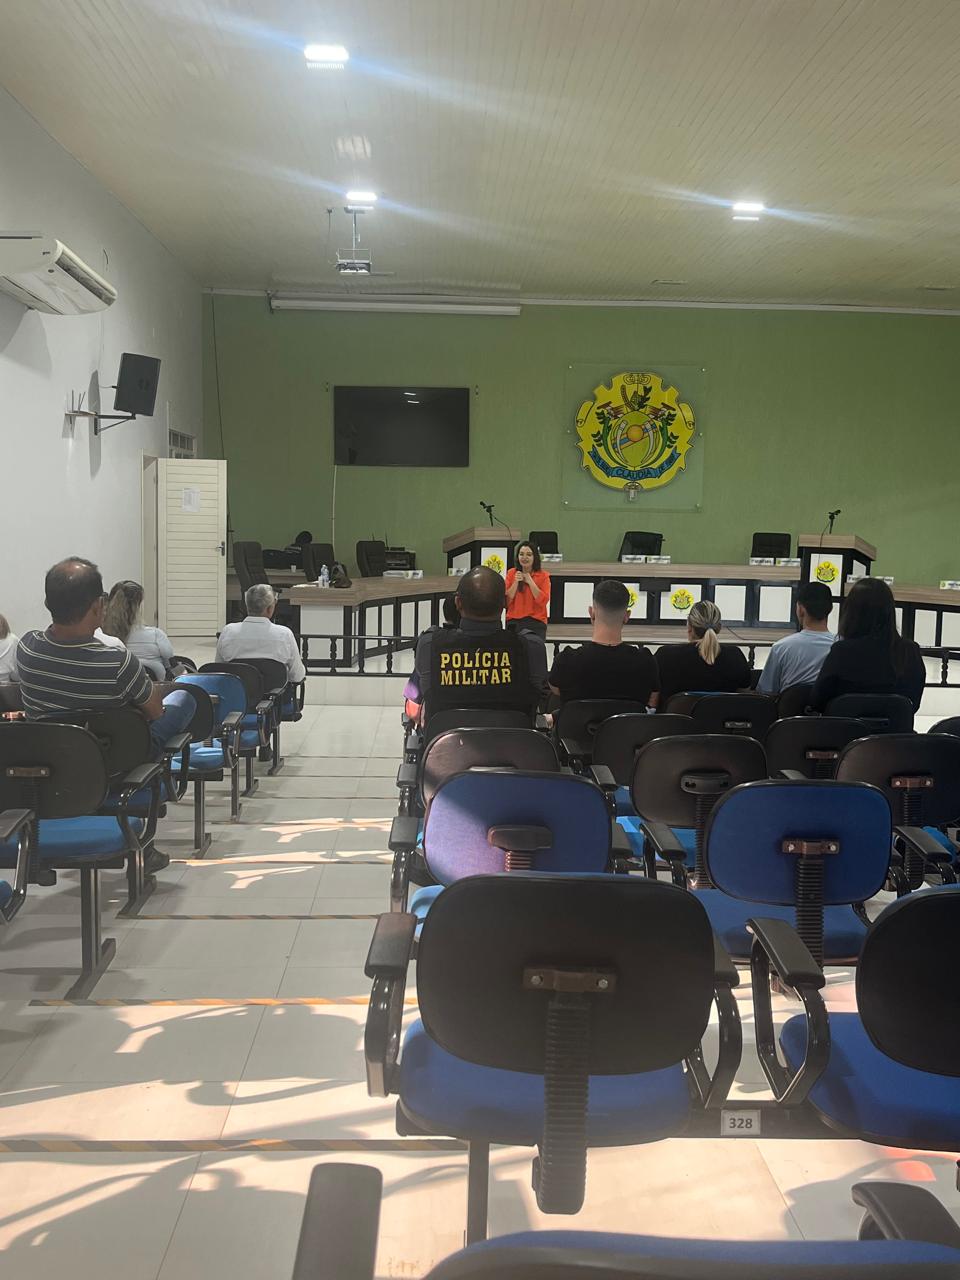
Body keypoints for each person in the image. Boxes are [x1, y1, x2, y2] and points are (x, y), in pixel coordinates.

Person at [15, 558, 195, 759]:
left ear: (48, 603)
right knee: (184, 698)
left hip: (50, 760)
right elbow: (155, 712)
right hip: (113, 763)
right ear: (98, 606)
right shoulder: (118, 662)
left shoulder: (26, 647)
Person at [412, 566, 547, 711]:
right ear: (505, 602)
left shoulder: (429, 645)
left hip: (445, 726)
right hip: (514, 727)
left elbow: (419, 696)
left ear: (458, 603)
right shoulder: (532, 646)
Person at [810, 576, 925, 711]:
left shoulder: (842, 651)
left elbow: (817, 701)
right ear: (890, 611)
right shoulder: (910, 651)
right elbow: (913, 704)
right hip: (893, 724)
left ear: (851, 612)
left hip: (845, 724)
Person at [548, 579, 658, 705]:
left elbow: (556, 690)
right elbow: (652, 698)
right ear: (627, 616)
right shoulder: (646, 662)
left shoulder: (566, 660)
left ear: (592, 613)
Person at [652, 599, 751, 710]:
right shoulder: (736, 656)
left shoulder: (664, 656)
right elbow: (744, 699)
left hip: (674, 721)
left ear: (689, 626)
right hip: (722, 721)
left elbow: (652, 702)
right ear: (719, 628)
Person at [216, 583, 306, 684]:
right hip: (274, 692)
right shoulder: (284, 634)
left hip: (236, 690)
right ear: (269, 609)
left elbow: (218, 669)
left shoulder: (228, 631)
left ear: (247, 605)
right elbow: (297, 676)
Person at [757, 581, 836, 696]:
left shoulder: (781, 648)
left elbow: (766, 692)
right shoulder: (841, 647)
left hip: (788, 708)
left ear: (800, 609)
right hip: (829, 708)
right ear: (830, 608)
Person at [102, 580, 177, 681]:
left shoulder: (101, 636)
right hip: (154, 689)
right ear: (138, 607)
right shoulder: (156, 635)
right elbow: (172, 665)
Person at [505, 541, 551, 640]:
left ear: (535, 557)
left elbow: (543, 601)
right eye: (521, 554)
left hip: (536, 622)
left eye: (529, 555)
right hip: (514, 621)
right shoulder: (511, 573)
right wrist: (515, 582)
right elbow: (506, 602)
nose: (524, 557)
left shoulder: (543, 576)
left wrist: (530, 582)